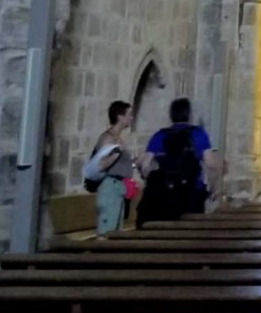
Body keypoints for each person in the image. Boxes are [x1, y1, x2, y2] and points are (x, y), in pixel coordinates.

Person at [137, 97, 219, 225]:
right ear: (189, 114)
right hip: (192, 192)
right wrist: (213, 187)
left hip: (165, 193)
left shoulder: (160, 135)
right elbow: (211, 165)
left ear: (171, 115)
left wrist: (152, 180)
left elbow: (145, 165)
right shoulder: (198, 134)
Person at [84, 100, 138, 235]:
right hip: (110, 188)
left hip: (119, 188)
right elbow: (100, 164)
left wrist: (134, 163)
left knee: (117, 233)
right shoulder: (107, 138)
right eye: (129, 114)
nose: (132, 118)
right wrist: (116, 154)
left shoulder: (118, 139)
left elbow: (118, 165)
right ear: (120, 116)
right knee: (106, 233)